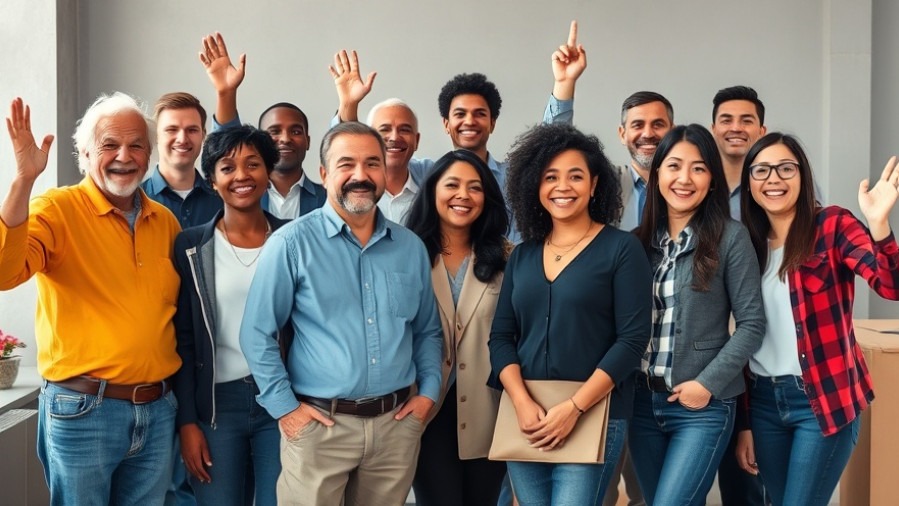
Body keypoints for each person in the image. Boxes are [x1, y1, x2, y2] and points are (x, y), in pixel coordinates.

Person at [239, 121, 444, 506]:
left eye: (372, 164)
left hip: (395, 427)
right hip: (319, 428)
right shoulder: (291, 243)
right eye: (346, 164)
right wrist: (287, 411)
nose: (360, 175)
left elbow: (427, 330)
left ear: (385, 171)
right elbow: (256, 334)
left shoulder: (410, 248)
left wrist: (428, 395)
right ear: (324, 174)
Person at [1, 95, 181, 505]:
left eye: (136, 145)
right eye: (109, 145)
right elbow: (4, 273)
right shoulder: (57, 209)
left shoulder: (165, 221)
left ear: (149, 154)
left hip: (156, 411)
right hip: (83, 411)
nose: (124, 156)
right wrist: (23, 181)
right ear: (84, 153)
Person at [488, 122, 652, 505]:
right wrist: (522, 402)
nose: (563, 187)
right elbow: (500, 337)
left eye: (575, 176)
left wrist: (574, 407)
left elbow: (631, 341)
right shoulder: (523, 255)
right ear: (535, 186)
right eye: (551, 177)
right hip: (525, 415)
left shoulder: (622, 249)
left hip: (594, 412)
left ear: (594, 185)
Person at [735, 133, 899, 506]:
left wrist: (879, 226)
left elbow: (890, 285)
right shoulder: (745, 242)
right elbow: (742, 337)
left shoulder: (832, 225)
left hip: (822, 398)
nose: (773, 179)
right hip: (762, 402)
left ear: (802, 176)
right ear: (749, 183)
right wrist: (744, 422)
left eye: (785, 168)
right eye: (761, 170)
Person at [627, 124, 765, 505]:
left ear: (713, 181)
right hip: (641, 402)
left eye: (699, 168)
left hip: (702, 404)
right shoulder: (637, 242)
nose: (684, 178)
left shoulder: (730, 237)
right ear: (657, 177)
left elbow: (752, 324)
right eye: (673, 166)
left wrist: (707, 384)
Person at [172, 126, 288, 505]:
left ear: (269, 172)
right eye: (227, 167)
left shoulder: (293, 239)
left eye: (253, 164)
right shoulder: (191, 245)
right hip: (217, 405)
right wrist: (188, 421)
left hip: (282, 401)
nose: (242, 175)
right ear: (212, 179)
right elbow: (184, 340)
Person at [405, 149, 509, 505]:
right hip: (425, 411)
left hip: (488, 412)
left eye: (475, 187)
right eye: (452, 185)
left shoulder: (508, 258)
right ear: (432, 191)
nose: (463, 195)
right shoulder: (405, 253)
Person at [544, 21, 674, 234]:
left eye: (658, 124)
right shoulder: (603, 185)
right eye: (637, 125)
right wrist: (564, 83)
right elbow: (552, 151)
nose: (648, 134)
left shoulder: (687, 187)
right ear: (622, 134)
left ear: (673, 131)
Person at [200, 32, 326, 219]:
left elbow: (346, 151)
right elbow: (226, 148)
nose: (285, 138)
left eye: (296, 131)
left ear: (308, 141)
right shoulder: (242, 190)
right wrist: (226, 93)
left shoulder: (327, 198)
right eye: (274, 131)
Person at [142, 92, 222, 229]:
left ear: (203, 136)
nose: (182, 139)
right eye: (171, 130)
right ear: (156, 136)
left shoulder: (222, 200)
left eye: (192, 130)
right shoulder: (136, 201)